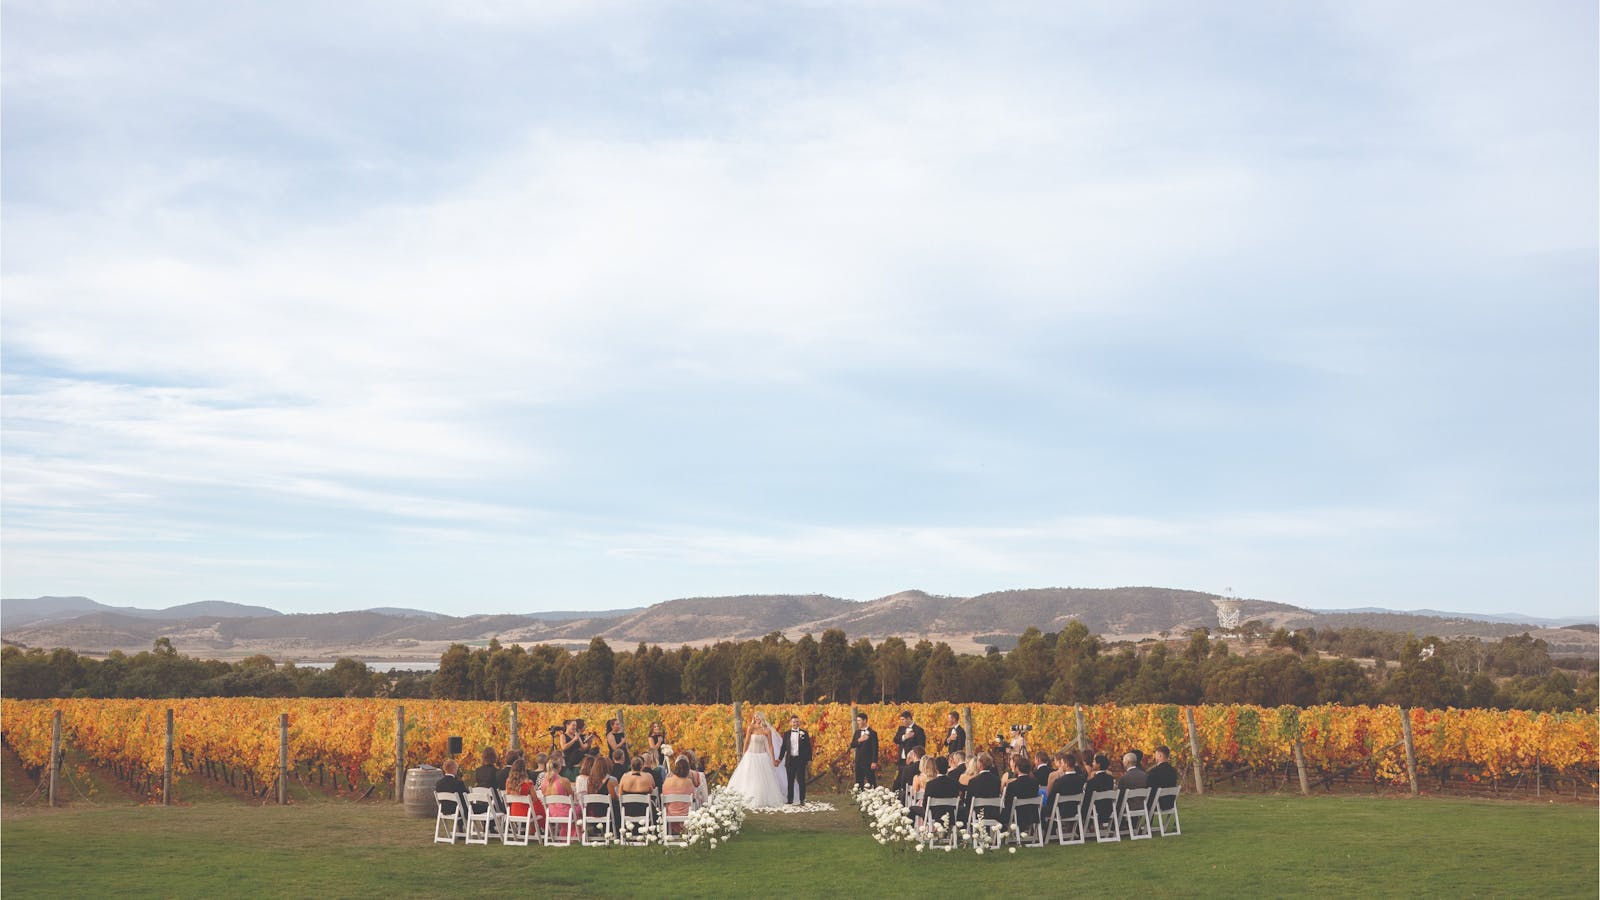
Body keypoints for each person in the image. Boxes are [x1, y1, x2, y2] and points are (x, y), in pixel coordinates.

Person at [725, 711, 788, 808]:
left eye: (758, 717)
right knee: (750, 777)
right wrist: (743, 755)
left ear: (761, 718)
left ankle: (762, 798)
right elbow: (746, 742)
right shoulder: (751, 728)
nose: (756, 718)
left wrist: (773, 758)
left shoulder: (767, 730)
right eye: (755, 717)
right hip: (751, 756)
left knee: (763, 779)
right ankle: (748, 797)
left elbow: (770, 746)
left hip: (762, 756)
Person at [775, 713, 813, 804]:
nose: (795, 723)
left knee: (801, 780)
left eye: (797, 721)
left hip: (800, 760)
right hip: (790, 760)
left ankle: (802, 799)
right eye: (793, 722)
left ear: (799, 722)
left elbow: (808, 747)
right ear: (790, 723)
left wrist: (809, 759)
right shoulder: (787, 734)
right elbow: (783, 747)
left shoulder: (804, 733)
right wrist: (779, 759)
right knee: (790, 781)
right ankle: (790, 800)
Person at [1001, 753, 1041, 836]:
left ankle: (1005, 833)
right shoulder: (1035, 783)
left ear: (1017, 768)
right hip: (1032, 813)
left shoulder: (1012, 785)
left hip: (1017, 814)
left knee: (1001, 814)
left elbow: (1008, 803)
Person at [960, 751, 1003, 825]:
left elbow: (968, 802)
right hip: (993, 814)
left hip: (977, 814)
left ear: (980, 764)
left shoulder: (973, 781)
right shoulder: (997, 780)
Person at [662, 756, 697, 835]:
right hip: (686, 813)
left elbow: (664, 797)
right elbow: (693, 798)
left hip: (670, 813)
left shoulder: (667, 781)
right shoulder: (689, 782)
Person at [541, 758, 575, 838]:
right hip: (565, 813)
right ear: (559, 767)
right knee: (582, 809)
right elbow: (571, 797)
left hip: (550, 812)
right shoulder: (564, 781)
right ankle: (574, 836)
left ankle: (564, 833)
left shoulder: (544, 782)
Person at [1085, 754, 1117, 830]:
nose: (1092, 763)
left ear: (1098, 765)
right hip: (1109, 808)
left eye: (1094, 762)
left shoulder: (1092, 781)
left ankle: (1086, 827)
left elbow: (1087, 798)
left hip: (1096, 810)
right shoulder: (1110, 779)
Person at [851, 712, 880, 788]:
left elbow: (875, 748)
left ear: (865, 720)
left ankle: (873, 797)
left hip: (869, 762)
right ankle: (859, 797)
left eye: (859, 720)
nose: (858, 723)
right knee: (858, 781)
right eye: (857, 721)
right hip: (858, 761)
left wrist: (874, 761)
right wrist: (859, 740)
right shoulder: (857, 733)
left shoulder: (873, 733)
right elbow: (852, 744)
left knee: (871, 781)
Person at [1147, 745, 1179, 810]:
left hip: (1157, 804)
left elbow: (1150, 789)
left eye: (1156, 755)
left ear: (1160, 755)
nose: (1155, 757)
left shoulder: (1154, 771)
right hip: (1170, 804)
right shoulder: (1173, 771)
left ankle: (1146, 820)